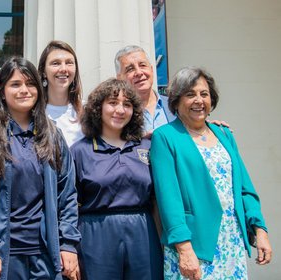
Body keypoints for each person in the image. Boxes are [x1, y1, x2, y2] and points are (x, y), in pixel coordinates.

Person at [0, 57, 81, 280]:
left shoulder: (53, 136)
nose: (24, 90)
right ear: (2, 91)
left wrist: (68, 244)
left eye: (30, 83)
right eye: (15, 84)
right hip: (2, 257)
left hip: (46, 256)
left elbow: (68, 196)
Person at [150, 67, 272, 279]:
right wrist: (184, 248)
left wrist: (259, 230)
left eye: (204, 94)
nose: (199, 100)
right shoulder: (165, 137)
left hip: (231, 240)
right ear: (177, 101)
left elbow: (245, 189)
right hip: (194, 245)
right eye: (190, 94)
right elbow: (169, 200)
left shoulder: (224, 134)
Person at [71, 78, 163, 279]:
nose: (120, 110)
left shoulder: (148, 147)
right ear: (98, 108)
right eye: (112, 102)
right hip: (96, 235)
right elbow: (66, 205)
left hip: (143, 232)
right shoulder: (79, 151)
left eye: (127, 104)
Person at [115, 45, 175, 135]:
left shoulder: (175, 105)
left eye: (142, 65)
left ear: (151, 70)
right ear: (119, 78)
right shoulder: (117, 114)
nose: (139, 73)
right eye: (130, 69)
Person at [38, 40, 84, 147]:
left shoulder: (87, 111)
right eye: (56, 63)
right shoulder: (33, 113)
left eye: (69, 63)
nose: (63, 69)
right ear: (43, 71)